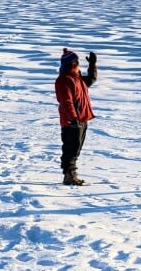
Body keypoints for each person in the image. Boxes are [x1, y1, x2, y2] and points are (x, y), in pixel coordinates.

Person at [55, 47, 97, 186]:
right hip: (71, 121)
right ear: (72, 64)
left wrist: (92, 65)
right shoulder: (64, 80)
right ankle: (69, 175)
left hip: (82, 119)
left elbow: (91, 79)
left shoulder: (77, 78)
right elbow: (66, 102)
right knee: (70, 148)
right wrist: (73, 119)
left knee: (76, 147)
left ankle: (71, 173)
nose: (78, 64)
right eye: (76, 62)